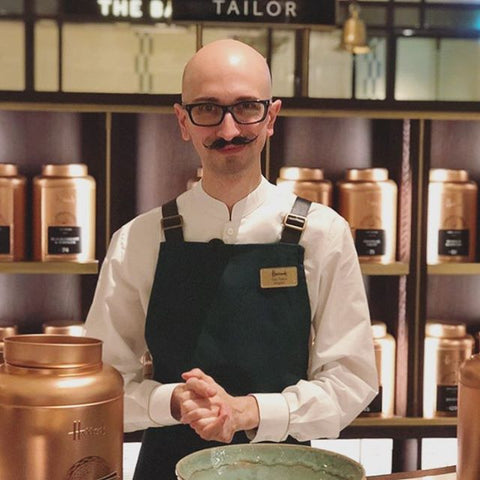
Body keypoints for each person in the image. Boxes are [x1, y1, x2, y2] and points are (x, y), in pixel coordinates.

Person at [85, 38, 378, 480]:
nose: (227, 130)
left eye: (246, 108)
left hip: (287, 469)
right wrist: (174, 402)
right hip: (167, 467)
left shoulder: (322, 233)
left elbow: (352, 380)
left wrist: (251, 411)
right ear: (182, 121)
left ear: (272, 116)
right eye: (207, 109)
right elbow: (102, 386)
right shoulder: (137, 240)